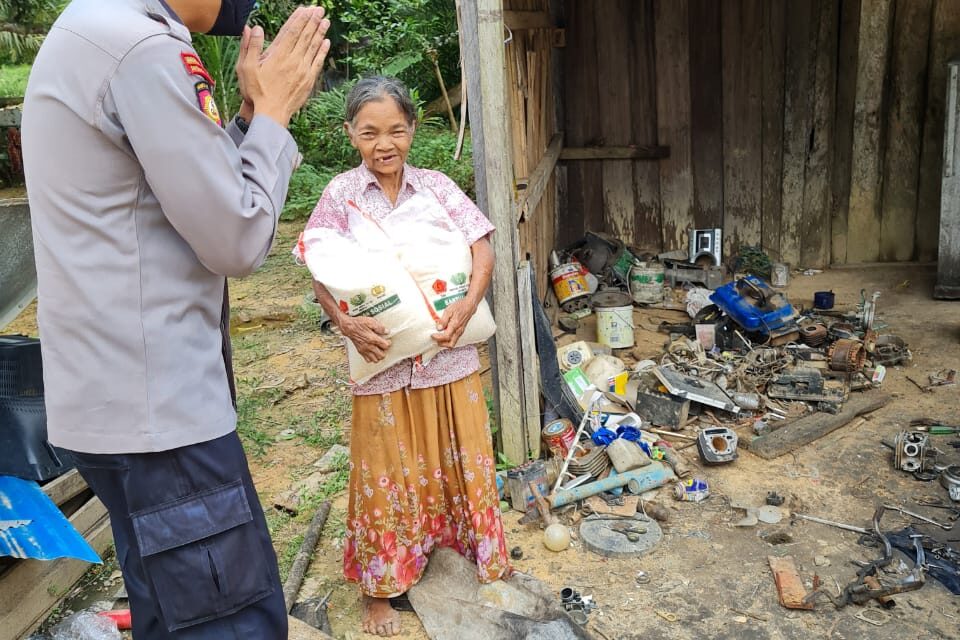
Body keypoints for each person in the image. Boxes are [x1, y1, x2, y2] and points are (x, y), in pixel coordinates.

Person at [21, 1, 330, 637]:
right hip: (163, 424)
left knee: (170, 613)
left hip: (112, 411)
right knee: (232, 623)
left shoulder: (95, 26)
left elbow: (179, 192)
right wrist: (274, 117)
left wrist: (245, 120)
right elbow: (236, 238)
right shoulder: (142, 48)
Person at [303, 76, 512, 637]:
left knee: (457, 455)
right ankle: (381, 591)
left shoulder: (439, 187)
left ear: (413, 129)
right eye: (370, 132)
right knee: (384, 467)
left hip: (447, 353)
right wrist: (344, 321)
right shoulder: (340, 195)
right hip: (383, 358)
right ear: (351, 134)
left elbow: (481, 245)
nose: (384, 143)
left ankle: (461, 556)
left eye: (396, 130)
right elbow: (318, 264)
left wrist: (468, 306)